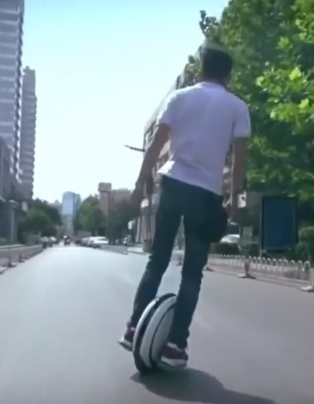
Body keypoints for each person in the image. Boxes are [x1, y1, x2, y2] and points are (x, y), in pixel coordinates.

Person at [118, 44, 251, 368]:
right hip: (205, 194)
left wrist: (140, 183)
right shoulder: (237, 107)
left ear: (201, 70)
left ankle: (133, 329)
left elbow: (155, 146)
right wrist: (233, 197)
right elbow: (239, 159)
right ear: (229, 75)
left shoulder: (179, 98)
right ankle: (175, 345)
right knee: (192, 272)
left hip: (173, 184)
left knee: (158, 260)